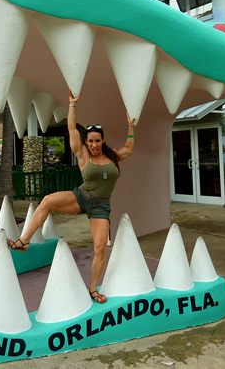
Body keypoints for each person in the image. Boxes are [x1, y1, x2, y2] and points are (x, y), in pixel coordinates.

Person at [9, 90, 135, 304]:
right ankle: (23, 242)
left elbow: (129, 149)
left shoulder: (113, 156)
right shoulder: (83, 154)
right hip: (81, 197)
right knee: (47, 201)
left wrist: (131, 127)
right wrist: (72, 104)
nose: (94, 145)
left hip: (101, 207)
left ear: (102, 140)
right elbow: (71, 128)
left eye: (97, 140)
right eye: (90, 141)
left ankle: (93, 289)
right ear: (86, 142)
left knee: (100, 249)